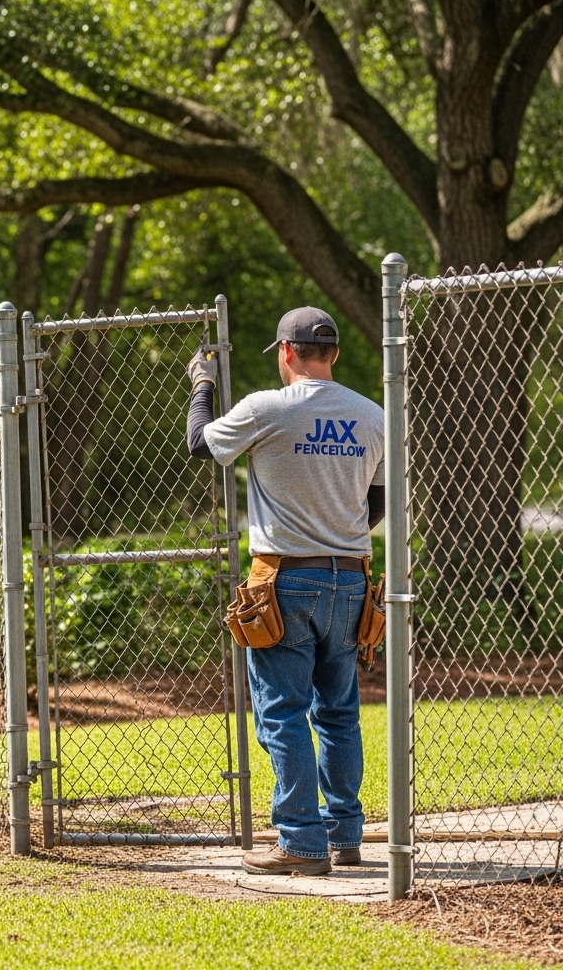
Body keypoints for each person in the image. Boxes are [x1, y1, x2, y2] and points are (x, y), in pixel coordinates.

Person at [187, 307, 385, 875]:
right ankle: (345, 834)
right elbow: (375, 506)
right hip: (351, 580)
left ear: (287, 353)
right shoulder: (372, 416)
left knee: (282, 712)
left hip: (282, 580)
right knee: (339, 712)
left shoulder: (266, 409)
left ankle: (300, 842)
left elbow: (202, 443)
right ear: (335, 354)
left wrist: (202, 382)